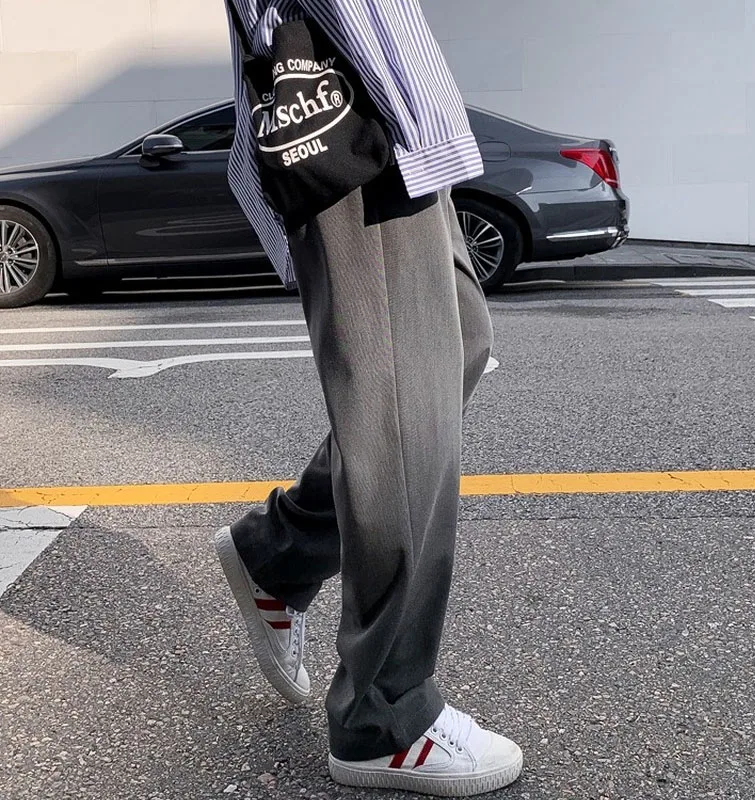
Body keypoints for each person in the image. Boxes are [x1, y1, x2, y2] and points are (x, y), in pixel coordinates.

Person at [215, 0, 523, 795]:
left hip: (401, 112)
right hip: (347, 97)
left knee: (457, 347)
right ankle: (384, 719)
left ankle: (281, 551)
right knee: (402, 406)